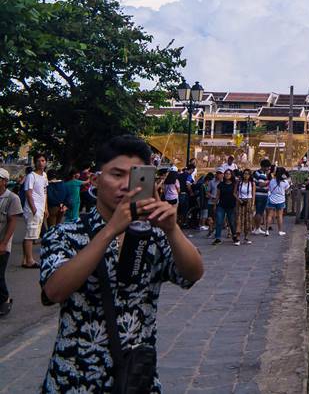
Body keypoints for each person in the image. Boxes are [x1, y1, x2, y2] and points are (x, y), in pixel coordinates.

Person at [39, 135, 203, 393]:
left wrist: (173, 230)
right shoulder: (65, 234)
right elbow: (54, 290)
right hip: (75, 377)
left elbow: (193, 274)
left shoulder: (153, 234)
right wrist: (110, 230)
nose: (126, 185)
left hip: (136, 379)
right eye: (116, 174)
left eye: (135, 176)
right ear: (95, 179)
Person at [0, 167, 23, 317]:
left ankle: (5, 299)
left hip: (2, 242)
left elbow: (12, 222)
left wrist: (3, 243)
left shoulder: (12, 198)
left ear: (4, 181)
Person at [22, 154, 48, 268]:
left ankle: (25, 260)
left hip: (41, 209)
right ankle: (30, 261)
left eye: (43, 160)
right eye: (38, 161)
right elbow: (28, 193)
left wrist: (45, 208)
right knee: (30, 236)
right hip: (33, 209)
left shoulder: (44, 176)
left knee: (32, 235)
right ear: (34, 163)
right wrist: (34, 209)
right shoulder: (31, 176)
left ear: (46, 162)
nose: (41, 163)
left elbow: (44, 192)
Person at [214, 169, 238, 245]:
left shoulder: (234, 184)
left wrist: (237, 205)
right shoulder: (220, 184)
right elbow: (217, 195)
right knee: (219, 221)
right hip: (221, 205)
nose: (227, 175)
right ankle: (218, 238)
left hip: (231, 205)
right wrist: (215, 204)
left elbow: (236, 194)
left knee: (231, 222)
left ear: (231, 175)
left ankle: (234, 236)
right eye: (226, 173)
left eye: (229, 174)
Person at [266, 168, 290, 235]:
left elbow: (270, 189)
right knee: (279, 216)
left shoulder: (272, 181)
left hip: (272, 199)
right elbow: (287, 191)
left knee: (269, 215)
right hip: (281, 200)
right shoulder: (285, 182)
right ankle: (280, 231)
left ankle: (267, 231)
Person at [236, 169, 256, 244]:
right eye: (245, 174)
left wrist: (253, 204)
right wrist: (239, 199)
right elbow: (234, 193)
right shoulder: (239, 183)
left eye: (248, 174)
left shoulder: (252, 184)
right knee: (239, 219)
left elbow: (253, 195)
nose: (246, 175)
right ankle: (237, 237)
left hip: (249, 201)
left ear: (250, 175)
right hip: (240, 201)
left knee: (248, 219)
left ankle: (246, 237)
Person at [254, 160, 271, 236]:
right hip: (261, 195)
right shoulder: (262, 174)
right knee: (259, 212)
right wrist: (269, 181)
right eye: (267, 167)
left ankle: (256, 228)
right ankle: (257, 228)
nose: (268, 168)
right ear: (264, 167)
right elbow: (261, 184)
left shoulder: (256, 172)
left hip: (256, 194)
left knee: (258, 211)